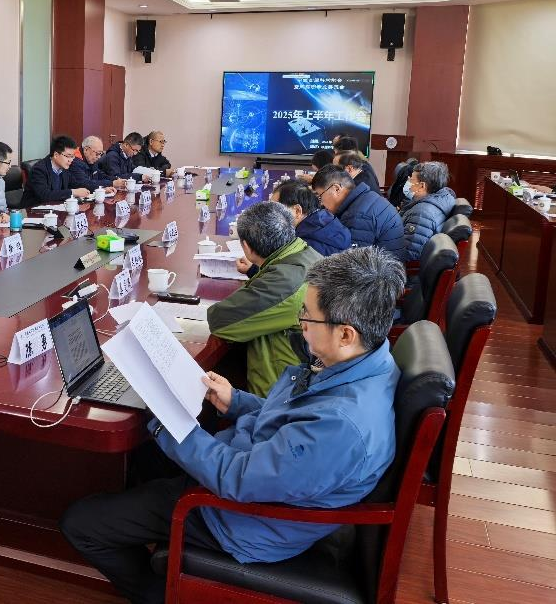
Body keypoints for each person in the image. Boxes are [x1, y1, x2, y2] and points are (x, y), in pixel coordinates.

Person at [61, 247, 405, 604]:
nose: (300, 322)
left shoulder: (342, 428)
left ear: (346, 334)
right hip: (257, 474)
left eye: (307, 315)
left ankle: (161, 595)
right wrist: (238, 401)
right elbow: (296, 421)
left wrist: (167, 421)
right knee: (145, 461)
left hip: (242, 521)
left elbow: (238, 478)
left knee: (81, 524)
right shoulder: (364, 363)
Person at [207, 201, 321, 396]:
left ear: (246, 246)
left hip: (280, 398)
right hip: (305, 382)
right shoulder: (305, 253)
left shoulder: (284, 283)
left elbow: (220, 320)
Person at [312, 165, 406, 260]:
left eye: (320, 196)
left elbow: (354, 262)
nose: (321, 203)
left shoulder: (358, 216)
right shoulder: (365, 198)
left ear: (336, 189)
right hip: (385, 263)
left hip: (385, 268)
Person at [269, 179, 351, 257]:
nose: (269, 215)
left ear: (297, 211)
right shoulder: (327, 222)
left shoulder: (303, 247)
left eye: (275, 209)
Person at [399, 161, 456, 261]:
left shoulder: (421, 214)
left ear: (422, 186)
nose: (408, 181)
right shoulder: (442, 199)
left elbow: (408, 254)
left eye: (411, 179)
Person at [22, 135, 90, 207]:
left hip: (56, 208)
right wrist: (73, 192)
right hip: (32, 210)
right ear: (56, 155)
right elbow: (45, 195)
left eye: (72, 156)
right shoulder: (39, 169)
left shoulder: (64, 168)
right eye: (68, 156)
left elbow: (75, 184)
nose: (71, 160)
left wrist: (93, 188)